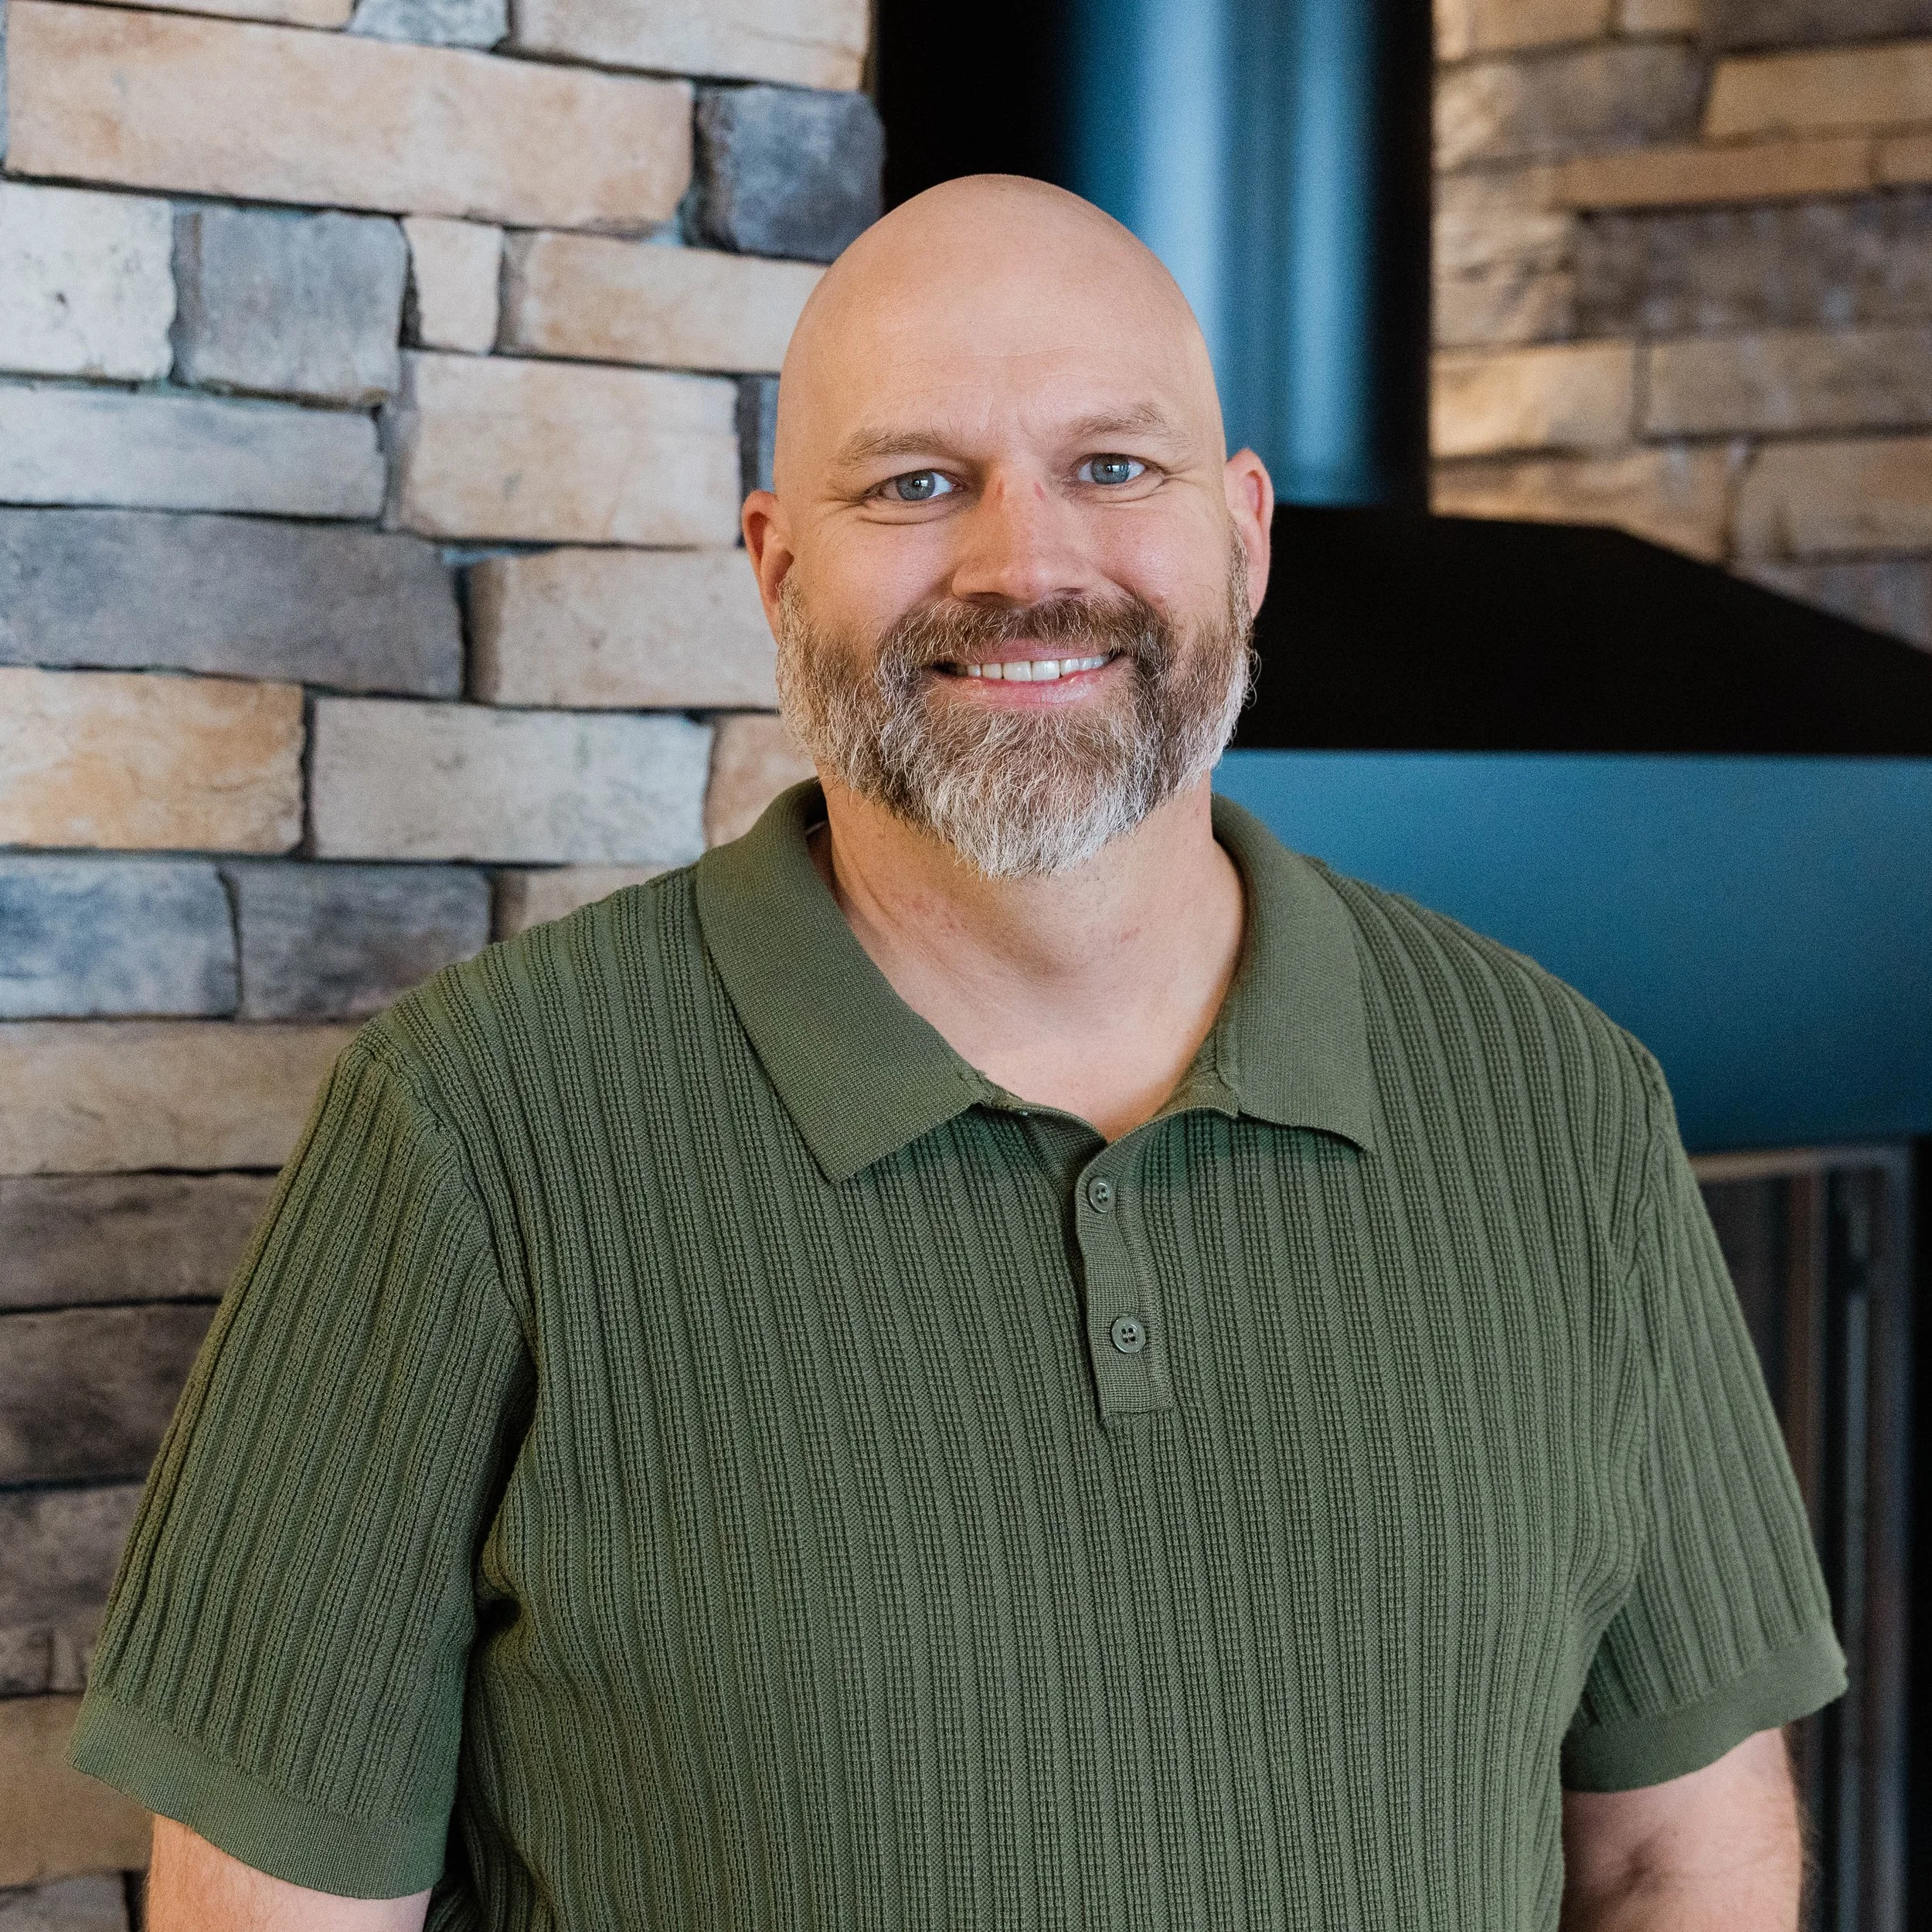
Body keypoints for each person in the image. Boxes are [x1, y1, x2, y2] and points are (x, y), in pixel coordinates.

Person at [72, 175, 1842, 1931]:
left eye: (1111, 466)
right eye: (916, 483)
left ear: (1243, 533)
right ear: (777, 565)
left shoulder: (1558, 1100)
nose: (1026, 565)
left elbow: (1671, 1859)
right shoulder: (471, 1127)